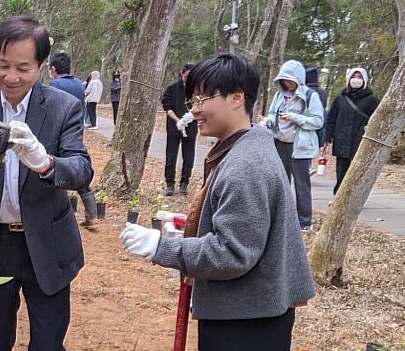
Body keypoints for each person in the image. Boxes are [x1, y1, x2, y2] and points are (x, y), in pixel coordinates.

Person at [121, 53, 315, 351]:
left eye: (202, 100)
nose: (195, 110)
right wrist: (193, 226)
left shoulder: (245, 165)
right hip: (248, 309)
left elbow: (233, 253)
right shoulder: (242, 148)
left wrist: (161, 246)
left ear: (237, 98)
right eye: (192, 102)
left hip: (245, 323)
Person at [0, 16, 93, 351]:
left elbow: (81, 169)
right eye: (3, 65)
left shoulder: (64, 108)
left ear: (41, 66)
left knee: (48, 342)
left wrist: (45, 162)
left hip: (47, 243)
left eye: (23, 67)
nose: (11, 77)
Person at [263, 60, 324, 231]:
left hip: (300, 147)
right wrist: (268, 121)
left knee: (301, 184)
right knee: (281, 183)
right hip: (280, 142)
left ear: (298, 79)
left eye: (290, 80)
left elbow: (318, 121)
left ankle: (304, 221)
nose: (287, 83)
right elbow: (272, 113)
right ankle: (282, 217)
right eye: (284, 80)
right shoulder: (279, 95)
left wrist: (294, 117)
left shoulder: (310, 95)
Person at [49, 52, 97, 227]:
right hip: (76, 135)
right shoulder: (78, 84)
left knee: (58, 172)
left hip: (58, 136)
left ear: (53, 69)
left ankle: (59, 215)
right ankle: (92, 214)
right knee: (77, 171)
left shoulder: (55, 84)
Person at [324, 67, 380, 194]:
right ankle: (338, 196)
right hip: (341, 140)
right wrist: (327, 138)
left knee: (358, 172)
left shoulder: (371, 100)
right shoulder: (340, 99)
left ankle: (355, 197)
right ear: (348, 79)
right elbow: (331, 119)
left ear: (365, 80)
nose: (356, 80)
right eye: (354, 77)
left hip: (360, 141)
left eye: (360, 77)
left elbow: (379, 118)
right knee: (341, 171)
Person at [161, 63, 197, 196]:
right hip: (174, 126)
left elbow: (200, 105)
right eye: (187, 76)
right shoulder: (172, 88)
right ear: (182, 74)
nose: (188, 79)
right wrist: (179, 121)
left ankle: (184, 183)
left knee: (189, 156)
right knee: (171, 155)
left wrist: (189, 118)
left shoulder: (197, 89)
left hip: (191, 126)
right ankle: (170, 184)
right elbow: (167, 107)